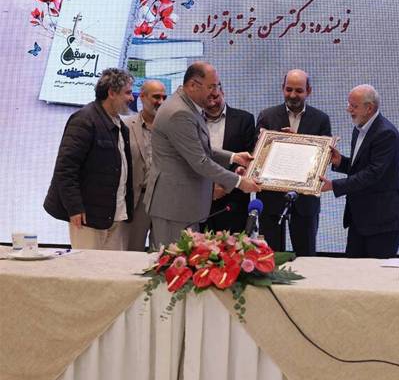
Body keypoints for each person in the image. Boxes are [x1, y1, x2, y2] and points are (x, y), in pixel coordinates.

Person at [144, 62, 261, 248]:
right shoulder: (179, 113)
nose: (215, 92)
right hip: (174, 207)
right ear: (193, 85)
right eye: (211, 86)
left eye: (217, 86)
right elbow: (200, 161)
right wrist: (240, 182)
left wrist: (233, 157)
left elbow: (199, 147)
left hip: (183, 206)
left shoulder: (187, 106)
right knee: (172, 261)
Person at [44, 68, 135, 250]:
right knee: (86, 266)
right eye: (128, 92)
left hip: (114, 214)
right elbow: (65, 169)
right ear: (111, 93)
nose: (132, 98)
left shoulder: (120, 125)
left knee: (110, 267)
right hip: (87, 217)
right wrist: (74, 208)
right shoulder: (84, 120)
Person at [322, 84, 399, 258]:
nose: (348, 109)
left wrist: (334, 185)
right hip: (360, 219)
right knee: (352, 269)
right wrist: (341, 162)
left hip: (382, 221)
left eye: (353, 106)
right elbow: (361, 167)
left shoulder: (386, 134)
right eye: (349, 104)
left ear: (369, 108)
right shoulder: (359, 129)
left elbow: (373, 174)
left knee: (377, 273)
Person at [256, 69, 332, 256]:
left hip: (305, 201)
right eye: (288, 89)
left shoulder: (321, 119)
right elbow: (257, 156)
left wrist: (297, 142)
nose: (292, 95)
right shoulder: (267, 116)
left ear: (309, 91)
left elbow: (323, 161)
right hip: (271, 199)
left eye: (299, 90)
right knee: (269, 257)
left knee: (307, 257)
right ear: (282, 88)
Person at [204, 82, 256, 234]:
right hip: (200, 200)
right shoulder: (193, 121)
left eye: (215, 97)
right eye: (207, 99)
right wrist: (210, 188)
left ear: (223, 92)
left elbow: (248, 158)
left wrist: (225, 185)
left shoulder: (244, 119)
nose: (212, 103)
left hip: (233, 202)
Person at [123, 80, 167, 251]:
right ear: (142, 97)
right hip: (137, 200)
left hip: (164, 200)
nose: (161, 102)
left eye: (164, 97)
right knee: (132, 253)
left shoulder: (172, 128)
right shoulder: (125, 125)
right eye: (156, 97)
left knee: (162, 254)